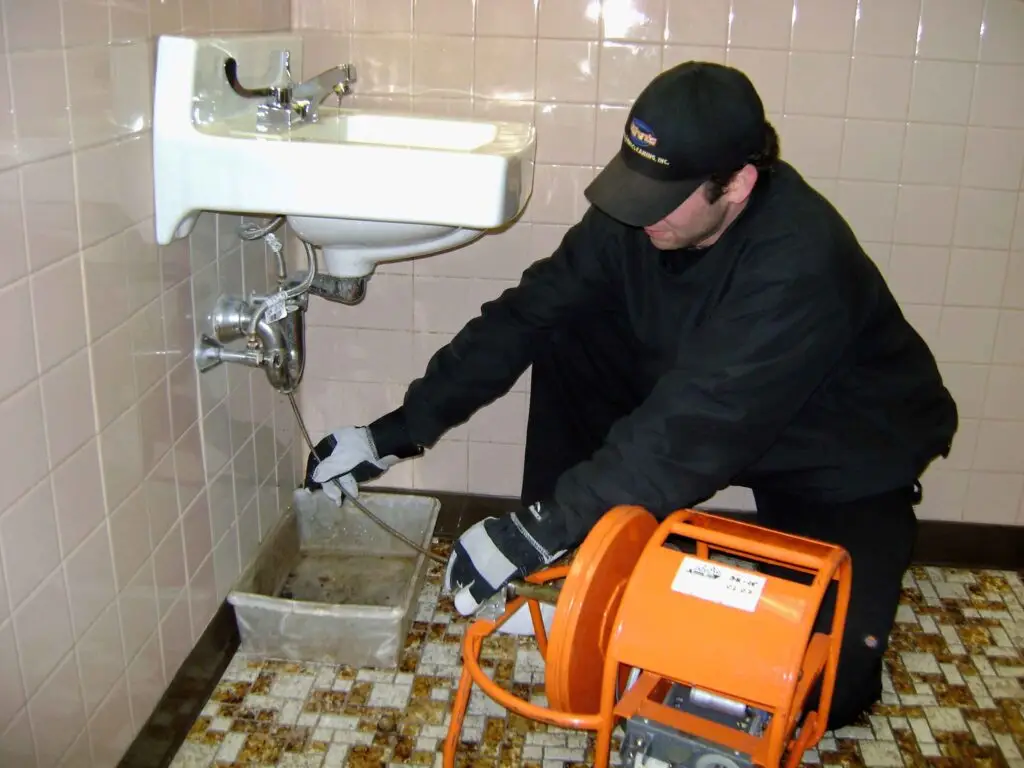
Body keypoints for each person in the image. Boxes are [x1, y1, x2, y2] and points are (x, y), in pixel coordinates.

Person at [301, 61, 958, 730]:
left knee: (815, 688)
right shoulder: (643, 213)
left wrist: (537, 527)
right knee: (568, 329)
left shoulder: (799, 260)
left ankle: (574, 536)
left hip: (837, 452)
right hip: (713, 400)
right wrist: (397, 431)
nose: (641, 211)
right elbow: (528, 313)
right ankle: (574, 564)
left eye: (664, 195)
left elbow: (698, 425)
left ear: (737, 184)